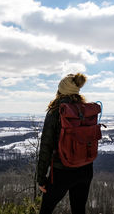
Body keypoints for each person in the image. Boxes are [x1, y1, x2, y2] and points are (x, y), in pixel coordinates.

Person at [37, 73, 93, 214]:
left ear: (61, 90)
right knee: (79, 210)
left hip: (62, 171)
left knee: (46, 210)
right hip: (85, 169)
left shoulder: (56, 111)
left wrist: (41, 178)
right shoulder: (85, 110)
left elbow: (46, 146)